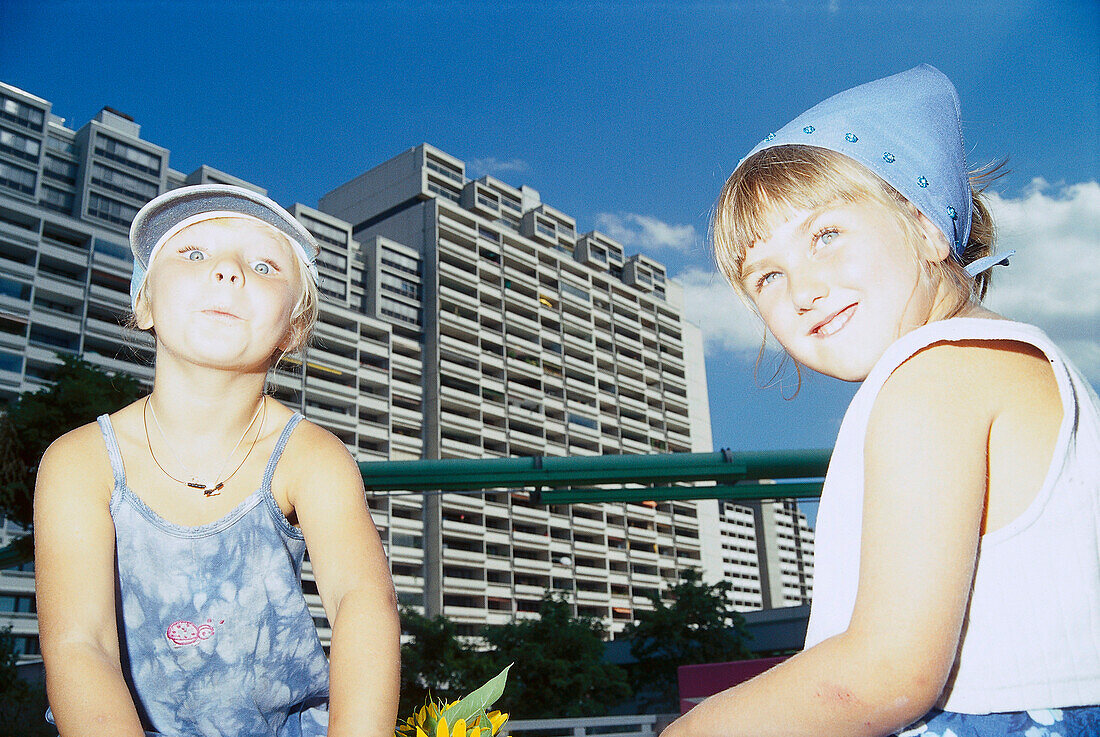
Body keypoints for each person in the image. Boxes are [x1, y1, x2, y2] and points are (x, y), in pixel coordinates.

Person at [663, 65, 1100, 736]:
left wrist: (692, 729)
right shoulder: (983, 362)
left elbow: (885, 672)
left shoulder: (936, 374)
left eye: (826, 234)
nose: (802, 287)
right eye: (768, 276)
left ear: (928, 229)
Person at [33, 185, 401, 736]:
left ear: (295, 328)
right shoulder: (79, 463)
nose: (230, 272)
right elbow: (81, 644)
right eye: (195, 253)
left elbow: (361, 605)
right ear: (144, 301)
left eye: (263, 264)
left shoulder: (311, 458)